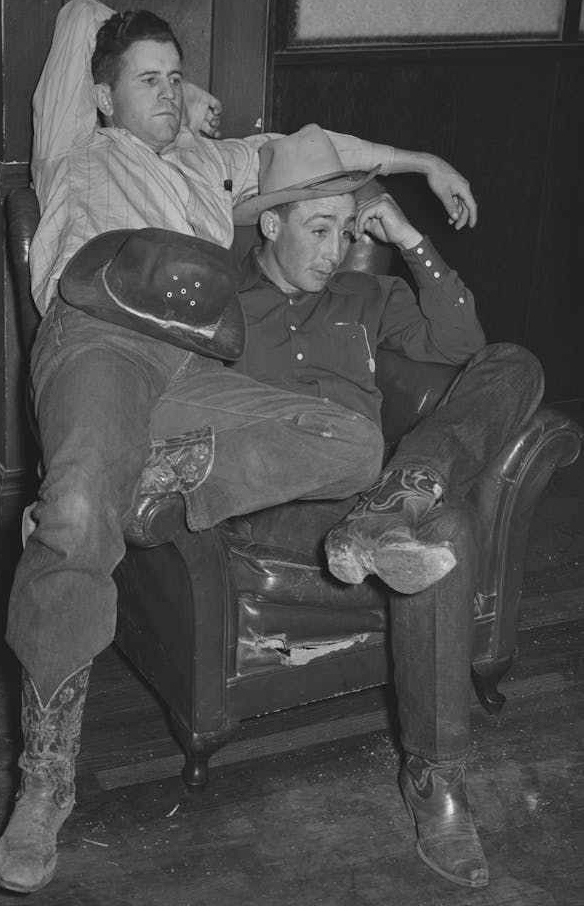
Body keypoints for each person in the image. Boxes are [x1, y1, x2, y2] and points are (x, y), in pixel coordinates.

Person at [0, 0, 491, 894]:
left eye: (176, 78)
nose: (169, 95)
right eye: (149, 81)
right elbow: (78, 14)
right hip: (101, 336)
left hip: (194, 362)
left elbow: (322, 147)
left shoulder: (209, 165)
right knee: (73, 512)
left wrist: (422, 161)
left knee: (349, 440)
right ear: (101, 96)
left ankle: (151, 478)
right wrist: (183, 85)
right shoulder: (78, 139)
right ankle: (45, 782)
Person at [225, 125, 544, 887]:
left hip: (376, 490)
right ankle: (437, 780)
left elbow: (463, 343)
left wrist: (405, 236)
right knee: (451, 527)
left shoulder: (365, 294)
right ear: (270, 223)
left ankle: (402, 499)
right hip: (284, 505)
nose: (333, 249)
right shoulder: (224, 307)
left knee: (516, 366)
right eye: (317, 229)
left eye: (344, 229)